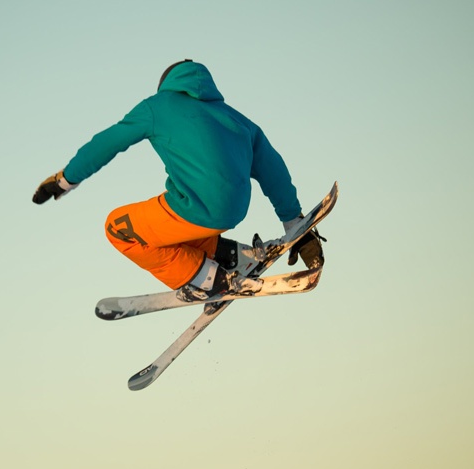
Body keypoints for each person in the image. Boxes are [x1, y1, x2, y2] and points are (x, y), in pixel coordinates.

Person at [32, 59, 322, 300]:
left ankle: (209, 279)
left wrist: (65, 180)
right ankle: (228, 256)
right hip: (231, 212)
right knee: (174, 233)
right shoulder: (236, 118)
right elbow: (274, 169)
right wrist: (295, 224)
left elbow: (107, 142)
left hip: (196, 208)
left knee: (117, 228)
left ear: (165, 87)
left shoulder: (157, 106)